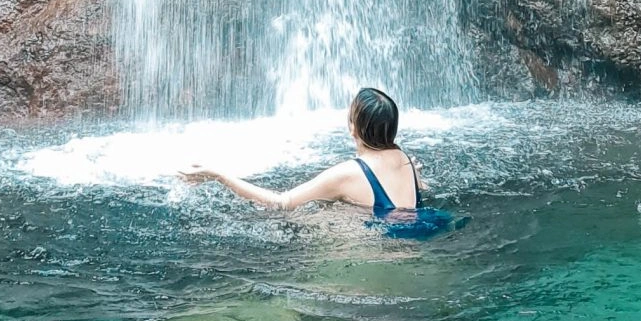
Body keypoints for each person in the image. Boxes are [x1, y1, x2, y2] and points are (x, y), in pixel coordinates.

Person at [180, 86, 451, 237]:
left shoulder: (349, 173)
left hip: (381, 249)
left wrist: (219, 176)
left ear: (353, 128)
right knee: (328, 212)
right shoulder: (405, 160)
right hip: (421, 239)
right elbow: (417, 192)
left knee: (313, 220)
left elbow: (281, 203)